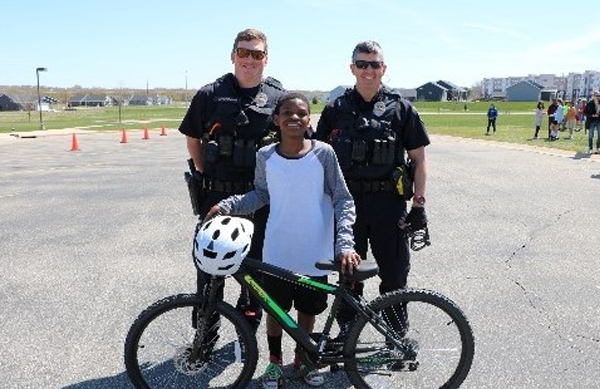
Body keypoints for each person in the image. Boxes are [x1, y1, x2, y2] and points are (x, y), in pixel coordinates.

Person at [205, 92, 360, 389]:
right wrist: (228, 205)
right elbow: (261, 194)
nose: (294, 117)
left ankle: (304, 359)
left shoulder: (323, 153)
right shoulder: (266, 156)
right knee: (275, 311)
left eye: (301, 113)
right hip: (277, 250)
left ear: (308, 120)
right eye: (287, 112)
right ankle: (274, 362)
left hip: (314, 250)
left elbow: (343, 199)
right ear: (275, 119)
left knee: (308, 310)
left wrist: (345, 243)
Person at [315, 40, 430, 346]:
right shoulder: (335, 109)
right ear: (352, 68)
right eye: (362, 64)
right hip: (347, 204)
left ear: (384, 69)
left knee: (394, 274)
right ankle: (348, 335)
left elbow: (418, 159)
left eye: (374, 64)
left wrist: (418, 204)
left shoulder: (401, 109)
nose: (368, 71)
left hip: (387, 204)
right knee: (349, 274)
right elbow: (316, 156)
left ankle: (396, 335)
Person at [178, 28, 286, 333]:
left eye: (257, 53)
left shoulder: (278, 97)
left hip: (259, 200)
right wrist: (205, 176)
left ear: (266, 59)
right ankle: (205, 335)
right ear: (232, 55)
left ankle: (246, 332)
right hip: (216, 199)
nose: (249, 59)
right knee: (210, 270)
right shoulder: (209, 95)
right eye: (243, 52)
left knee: (255, 270)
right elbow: (193, 138)